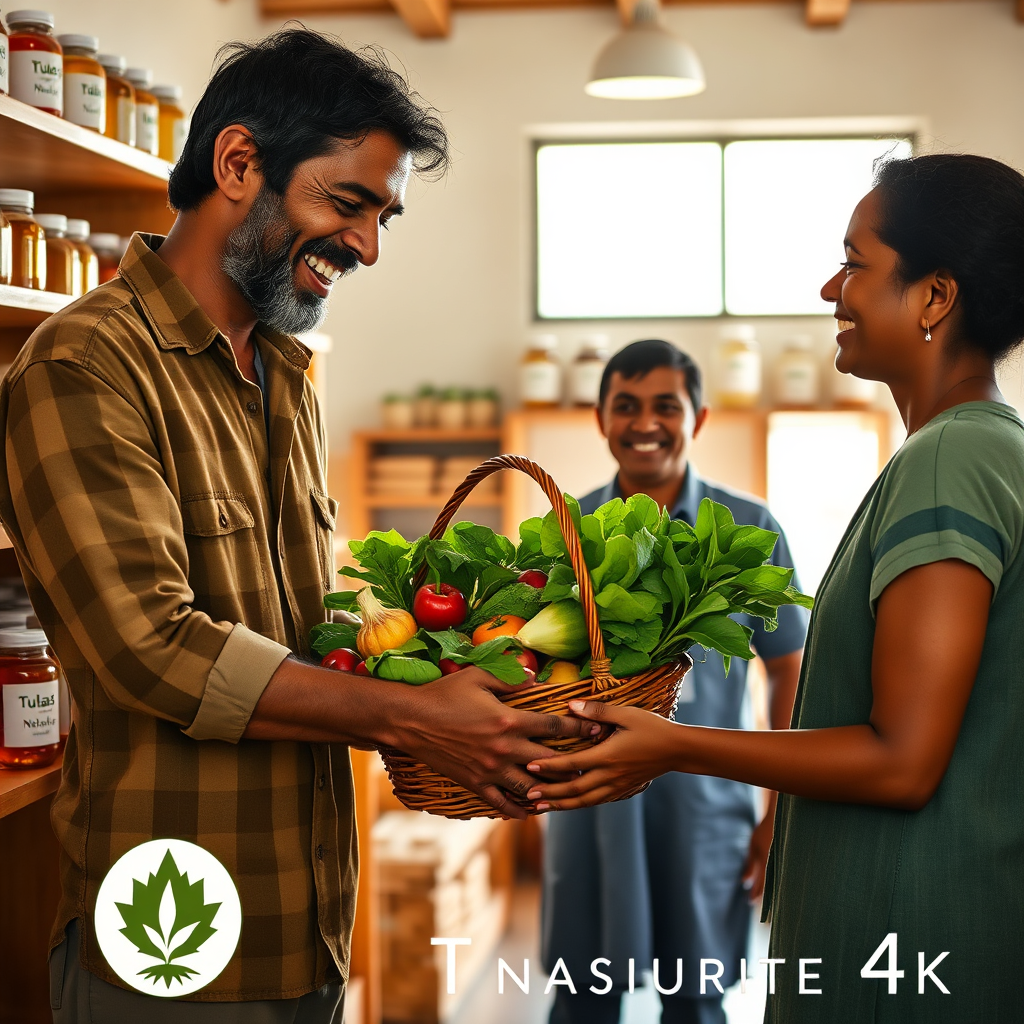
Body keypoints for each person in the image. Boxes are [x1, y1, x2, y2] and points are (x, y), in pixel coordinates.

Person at [0, 30, 592, 1023]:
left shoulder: (288, 375)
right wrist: (411, 716)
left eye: (382, 216)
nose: (366, 245)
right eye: (346, 202)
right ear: (238, 165)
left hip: (308, 924)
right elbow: (148, 644)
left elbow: (304, 628)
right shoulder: (83, 367)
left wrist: (435, 683)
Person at [527, 153, 1024, 1022]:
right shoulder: (967, 451)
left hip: (907, 940)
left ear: (934, 298)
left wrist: (676, 746)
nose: (832, 287)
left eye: (856, 263)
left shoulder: (951, 459)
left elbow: (902, 760)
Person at [542, 340, 808, 1024]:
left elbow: (790, 669)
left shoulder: (749, 528)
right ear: (600, 418)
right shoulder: (565, 531)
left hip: (704, 809)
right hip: (588, 801)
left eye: (666, 405)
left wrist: (778, 812)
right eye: (625, 406)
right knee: (581, 998)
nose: (644, 423)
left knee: (696, 1003)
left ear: (700, 418)